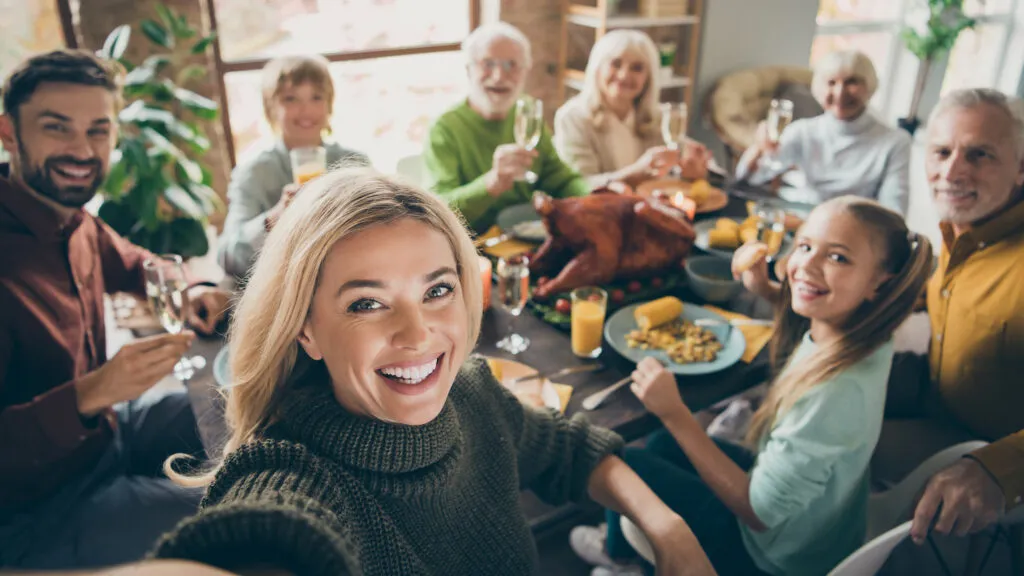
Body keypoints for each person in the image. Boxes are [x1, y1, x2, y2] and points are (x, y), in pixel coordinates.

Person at [96, 168, 716, 576]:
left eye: (438, 289)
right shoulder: (290, 474)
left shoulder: (472, 394)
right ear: (304, 328)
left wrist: (666, 524)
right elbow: (252, 548)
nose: (418, 334)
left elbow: (569, 450)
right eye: (366, 303)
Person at [572, 196, 934, 576]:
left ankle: (624, 560)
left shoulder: (835, 393)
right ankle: (625, 546)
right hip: (818, 526)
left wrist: (675, 412)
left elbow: (758, 513)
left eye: (838, 257)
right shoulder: (868, 334)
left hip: (768, 557)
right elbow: (818, 324)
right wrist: (769, 290)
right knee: (663, 443)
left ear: (880, 284)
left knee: (625, 462)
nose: (806, 264)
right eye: (806, 245)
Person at [0, 50, 231, 568]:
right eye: (57, 128)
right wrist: (92, 393)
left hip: (109, 434)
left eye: (98, 130)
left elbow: (139, 263)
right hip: (38, 511)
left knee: (241, 404)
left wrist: (195, 288)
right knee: (244, 506)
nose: (81, 149)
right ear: (9, 133)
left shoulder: (76, 219)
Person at [870, 88, 1024, 557]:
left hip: (990, 448)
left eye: (979, 155)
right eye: (941, 152)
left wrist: (998, 468)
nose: (952, 172)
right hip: (935, 394)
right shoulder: (959, 234)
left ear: (1021, 168)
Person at [423, 22, 591, 234]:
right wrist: (491, 183)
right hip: (473, 246)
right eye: (488, 64)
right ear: (468, 70)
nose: (499, 76)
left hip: (526, 236)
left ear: (525, 72)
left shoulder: (527, 113)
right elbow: (438, 210)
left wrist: (594, 199)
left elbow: (560, 179)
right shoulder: (444, 129)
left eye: (511, 65)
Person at [217, 54, 368, 280]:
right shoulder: (255, 173)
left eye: (316, 97)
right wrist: (273, 220)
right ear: (271, 109)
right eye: (291, 99)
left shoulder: (355, 164)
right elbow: (228, 259)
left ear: (329, 106)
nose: (306, 110)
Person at [736, 50, 911, 215]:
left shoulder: (895, 142)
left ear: (870, 86)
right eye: (831, 82)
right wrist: (759, 148)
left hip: (858, 229)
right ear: (819, 89)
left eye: (852, 82)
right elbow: (751, 178)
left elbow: (894, 211)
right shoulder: (803, 131)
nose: (840, 92)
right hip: (805, 220)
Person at [554, 30, 712, 188]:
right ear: (597, 68)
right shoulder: (572, 118)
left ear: (648, 78)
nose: (624, 75)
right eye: (616, 64)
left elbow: (697, 164)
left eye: (637, 68)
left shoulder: (659, 117)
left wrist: (695, 171)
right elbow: (579, 185)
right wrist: (634, 173)